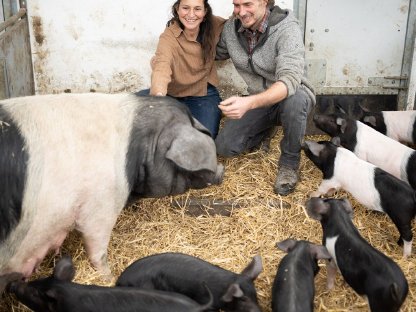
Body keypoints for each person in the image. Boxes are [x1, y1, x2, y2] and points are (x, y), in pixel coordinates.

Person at [215, 0, 316, 196]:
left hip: (291, 94)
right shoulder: (231, 29)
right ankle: (265, 130)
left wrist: (247, 103)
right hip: (259, 99)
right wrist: (175, 50)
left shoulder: (286, 28)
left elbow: (288, 81)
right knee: (225, 146)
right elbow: (212, 53)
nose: (241, 12)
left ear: (264, 1)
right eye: (236, 5)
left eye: (247, 4)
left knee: (295, 102)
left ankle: (289, 163)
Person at [138, 0, 225, 139]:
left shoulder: (214, 25)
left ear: (205, 11)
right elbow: (161, 67)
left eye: (197, 9)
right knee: (134, 115)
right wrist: (159, 98)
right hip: (171, 94)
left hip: (202, 94)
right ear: (177, 9)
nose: (191, 14)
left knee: (204, 138)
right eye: (185, 8)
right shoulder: (169, 36)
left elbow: (236, 22)